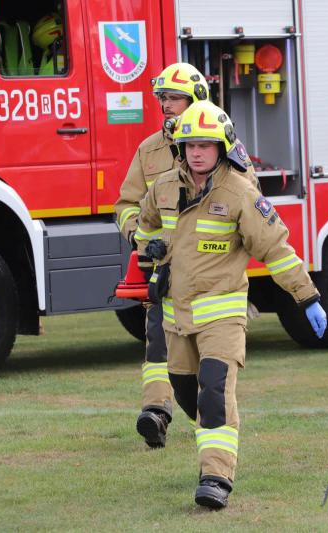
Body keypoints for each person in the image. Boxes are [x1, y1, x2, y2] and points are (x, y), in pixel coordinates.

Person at [136, 100, 326, 509]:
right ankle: (212, 439)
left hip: (222, 315)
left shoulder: (240, 193)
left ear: (221, 147)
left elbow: (276, 250)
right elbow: (145, 224)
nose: (197, 152)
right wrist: (149, 253)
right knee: (187, 394)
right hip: (175, 316)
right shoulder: (163, 187)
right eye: (190, 145)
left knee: (214, 393)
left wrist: (307, 296)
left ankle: (216, 478)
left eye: (205, 145)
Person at [114, 62, 210, 449]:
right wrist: (140, 236)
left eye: (174, 98)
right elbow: (127, 204)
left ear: (196, 100)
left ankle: (212, 417)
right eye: (163, 98)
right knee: (157, 342)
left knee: (206, 354)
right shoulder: (149, 150)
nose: (166, 105)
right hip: (164, 270)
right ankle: (155, 412)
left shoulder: (220, 146)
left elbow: (244, 201)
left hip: (207, 272)